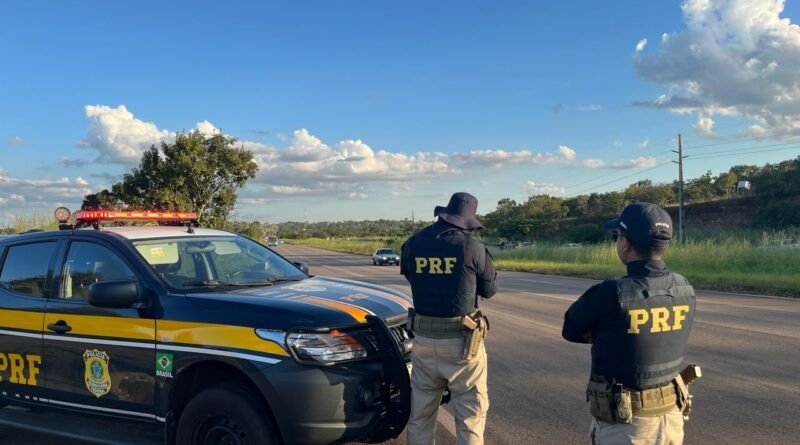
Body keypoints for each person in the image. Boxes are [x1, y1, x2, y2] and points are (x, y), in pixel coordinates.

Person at [562, 202, 698, 445]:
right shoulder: (685, 287)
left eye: (618, 236)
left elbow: (571, 329)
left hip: (628, 427)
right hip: (672, 418)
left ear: (625, 244)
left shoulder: (612, 293)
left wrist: (605, 331)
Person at [401, 192, 497, 445]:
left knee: (420, 415)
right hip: (463, 345)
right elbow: (489, 290)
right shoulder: (472, 247)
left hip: (422, 341)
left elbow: (413, 278)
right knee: (470, 418)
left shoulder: (413, 243)